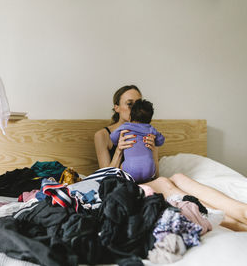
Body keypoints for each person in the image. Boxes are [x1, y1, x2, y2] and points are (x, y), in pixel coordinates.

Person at [94, 85, 247, 231]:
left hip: (148, 181)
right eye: (129, 104)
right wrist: (119, 150)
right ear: (116, 107)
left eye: (138, 103)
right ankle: (229, 221)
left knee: (179, 177)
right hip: (123, 187)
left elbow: (155, 174)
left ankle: (241, 210)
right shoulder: (103, 135)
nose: (135, 108)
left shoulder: (148, 132)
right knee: (164, 183)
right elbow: (105, 179)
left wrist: (154, 150)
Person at [110, 99, 165, 183]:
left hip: (130, 168)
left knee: (121, 168)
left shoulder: (126, 127)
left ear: (130, 116)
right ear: (150, 119)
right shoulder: (151, 129)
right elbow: (161, 140)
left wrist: (116, 142)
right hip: (149, 168)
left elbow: (113, 137)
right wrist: (156, 140)